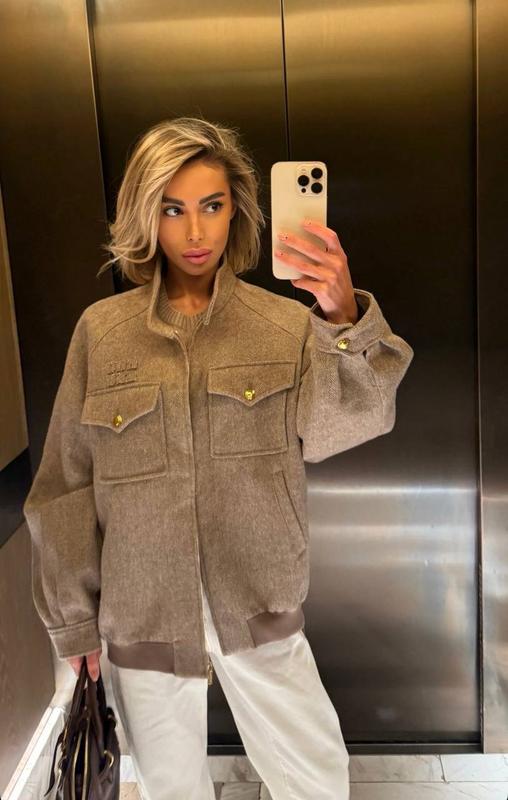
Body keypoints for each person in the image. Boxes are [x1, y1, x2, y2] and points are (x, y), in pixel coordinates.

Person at [23, 115, 414, 800]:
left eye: (212, 205)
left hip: (259, 608)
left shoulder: (284, 324)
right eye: (172, 209)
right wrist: (73, 620)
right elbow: (65, 483)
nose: (195, 232)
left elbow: (345, 427)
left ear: (237, 210)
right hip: (143, 618)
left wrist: (342, 319)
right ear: (147, 214)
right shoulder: (102, 334)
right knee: (171, 789)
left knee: (317, 780)